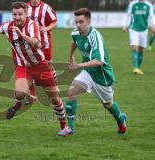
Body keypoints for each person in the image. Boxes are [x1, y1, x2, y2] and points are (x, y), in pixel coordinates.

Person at [0, 1, 67, 133]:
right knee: (19, 93)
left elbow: (37, 44)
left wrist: (22, 35)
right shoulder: (8, 27)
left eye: (20, 14)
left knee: (54, 98)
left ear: (26, 14)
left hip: (40, 66)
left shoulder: (32, 25)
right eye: (14, 14)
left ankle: (64, 126)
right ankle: (19, 103)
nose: (17, 17)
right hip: (23, 67)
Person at [58, 8, 127, 136]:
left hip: (102, 76)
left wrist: (77, 65)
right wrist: (70, 56)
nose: (78, 25)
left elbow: (99, 61)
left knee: (107, 104)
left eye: (81, 22)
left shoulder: (95, 36)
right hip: (88, 72)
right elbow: (74, 41)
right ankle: (70, 128)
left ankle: (120, 118)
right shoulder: (76, 33)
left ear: (89, 21)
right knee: (71, 93)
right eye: (76, 22)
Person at [27, 0, 58, 97]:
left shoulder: (46, 7)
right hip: (31, 42)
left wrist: (46, 28)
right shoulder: (25, 7)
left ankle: (53, 86)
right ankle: (32, 95)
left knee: (49, 65)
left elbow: (54, 21)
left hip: (45, 42)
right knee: (30, 66)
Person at [123, 0, 155, 75]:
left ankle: (138, 68)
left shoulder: (148, 5)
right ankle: (136, 67)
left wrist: (153, 25)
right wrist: (124, 25)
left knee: (141, 49)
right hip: (134, 29)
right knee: (135, 47)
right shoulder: (133, 4)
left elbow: (152, 16)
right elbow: (127, 14)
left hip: (144, 30)